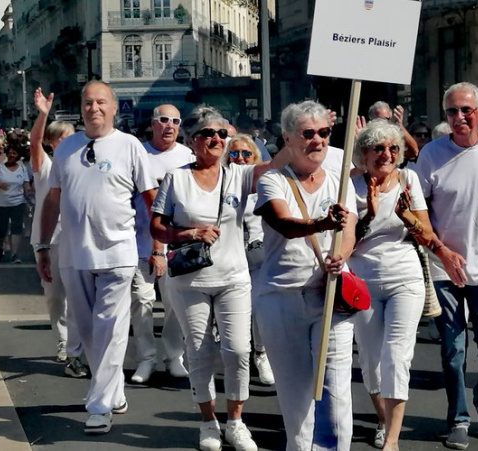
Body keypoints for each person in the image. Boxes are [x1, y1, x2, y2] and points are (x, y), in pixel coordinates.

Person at [151, 107, 290, 451]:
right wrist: (189, 234)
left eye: (221, 134)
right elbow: (157, 225)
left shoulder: (238, 176)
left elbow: (275, 165)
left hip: (234, 277)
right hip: (190, 282)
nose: (216, 139)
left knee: (239, 350)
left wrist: (296, 130)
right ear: (192, 140)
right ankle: (208, 423)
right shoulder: (176, 178)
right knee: (199, 352)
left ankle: (236, 421)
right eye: (207, 134)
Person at [37, 80, 157, 435]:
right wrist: (43, 246)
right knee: (88, 330)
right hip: (74, 255)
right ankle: (114, 392)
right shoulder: (66, 149)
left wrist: (159, 243)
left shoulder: (130, 146)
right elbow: (53, 200)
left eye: (101, 102)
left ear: (114, 107)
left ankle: (99, 404)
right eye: (88, 102)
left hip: (118, 252)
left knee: (111, 326)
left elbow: (151, 198)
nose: (94, 109)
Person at [412, 82, 478, 450]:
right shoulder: (430, 154)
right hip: (445, 267)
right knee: (452, 348)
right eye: (451, 112)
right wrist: (441, 251)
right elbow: (420, 214)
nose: (458, 118)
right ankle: (458, 417)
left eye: (465, 110)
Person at [253, 100, 358, 450]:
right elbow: (282, 222)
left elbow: (351, 231)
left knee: (337, 390)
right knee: (296, 394)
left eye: (324, 133)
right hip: (281, 298)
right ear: (288, 138)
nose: (318, 140)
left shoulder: (340, 181)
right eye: (308, 133)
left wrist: (339, 256)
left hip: (330, 295)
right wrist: (323, 223)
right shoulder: (272, 181)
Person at [349, 119, 440, 450]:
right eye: (377, 148)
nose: (385, 154)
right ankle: (383, 418)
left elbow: (427, 234)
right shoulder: (350, 185)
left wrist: (407, 217)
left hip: (406, 277)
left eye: (392, 148)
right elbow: (344, 245)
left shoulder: (409, 179)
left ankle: (392, 440)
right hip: (363, 280)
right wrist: (370, 214)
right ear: (363, 153)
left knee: (397, 356)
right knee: (371, 359)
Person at [130, 103, 191, 384]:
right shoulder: (137, 153)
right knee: (141, 302)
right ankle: (146, 358)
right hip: (138, 242)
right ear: (153, 124)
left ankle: (173, 355)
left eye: (175, 121)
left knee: (174, 303)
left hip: (176, 245)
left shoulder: (188, 156)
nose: (170, 126)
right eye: (164, 120)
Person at [28, 88, 85, 376]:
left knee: (77, 294)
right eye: (60, 137)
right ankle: (62, 339)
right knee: (55, 296)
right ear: (52, 143)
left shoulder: (84, 165)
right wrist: (43, 114)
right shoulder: (45, 166)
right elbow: (34, 141)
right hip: (48, 240)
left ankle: (74, 344)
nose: (66, 141)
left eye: (70, 137)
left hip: (76, 239)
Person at [224, 134, 275, 386]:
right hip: (231, 258)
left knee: (258, 310)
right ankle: (239, 360)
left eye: (246, 154)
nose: (241, 159)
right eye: (234, 154)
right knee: (238, 315)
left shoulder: (265, 185)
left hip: (258, 257)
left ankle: (261, 354)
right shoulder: (223, 183)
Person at [0, 143, 30, 263]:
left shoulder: (22, 168)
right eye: (10, 153)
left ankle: (14, 254)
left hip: (17, 203)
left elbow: (26, 183)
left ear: (18, 156)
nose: (12, 155)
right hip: (0, 204)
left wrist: (28, 191)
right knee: (1, 229)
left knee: (17, 228)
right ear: (6, 154)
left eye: (14, 153)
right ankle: (1, 246)